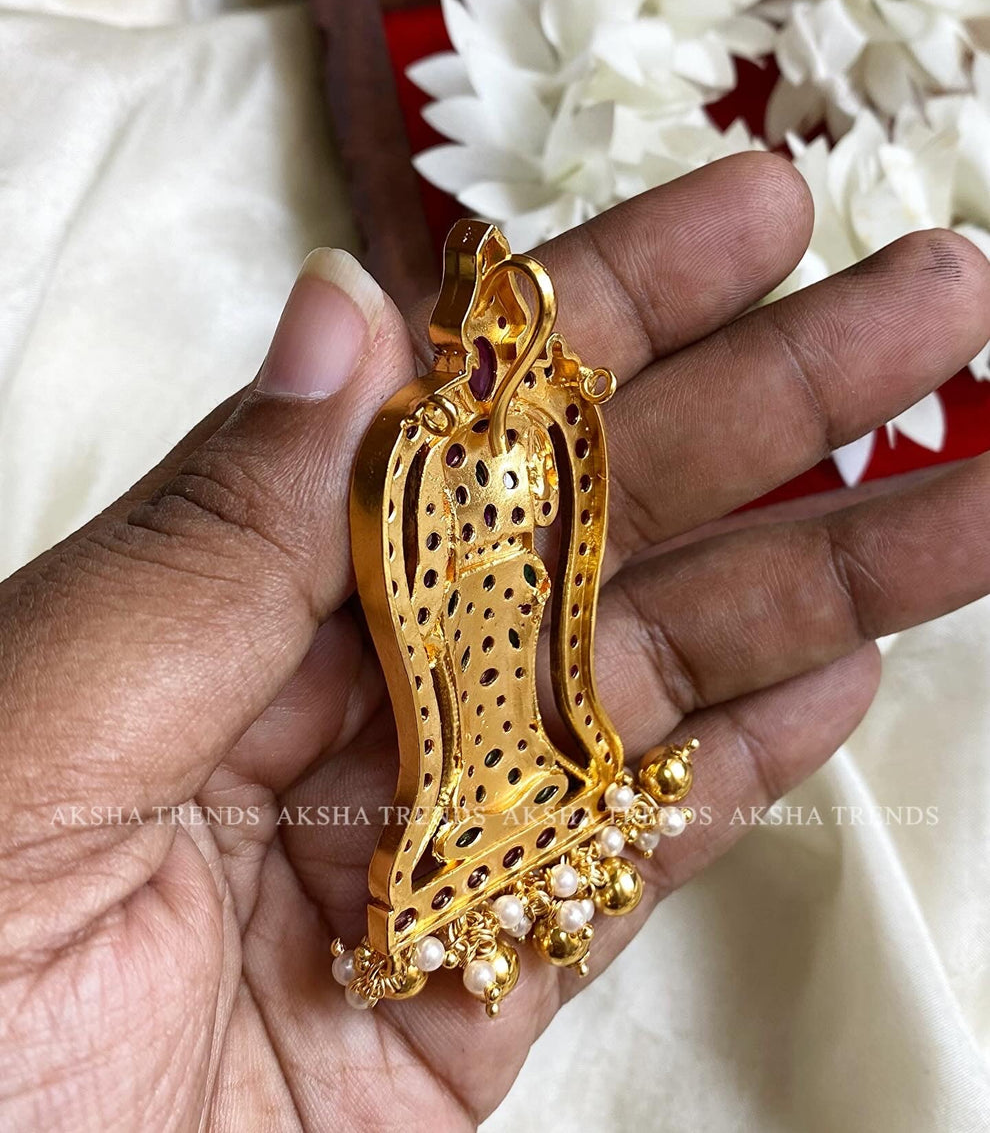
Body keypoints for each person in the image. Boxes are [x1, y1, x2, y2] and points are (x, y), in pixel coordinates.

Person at [1, 153, 988, 1129]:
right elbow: (421, 599)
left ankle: (538, 803)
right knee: (474, 710)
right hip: (466, 624)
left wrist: (524, 585)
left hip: (516, 619)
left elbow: (565, 548)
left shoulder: (542, 433)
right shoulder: (428, 450)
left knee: (520, 704)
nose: (496, 352)